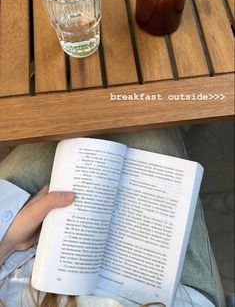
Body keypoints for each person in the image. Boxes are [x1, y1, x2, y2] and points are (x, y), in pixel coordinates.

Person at [0, 128, 226, 307]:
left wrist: (9, 242)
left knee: (70, 120)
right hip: (161, 290)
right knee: (144, 121)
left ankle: (53, 80)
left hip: (13, 268)